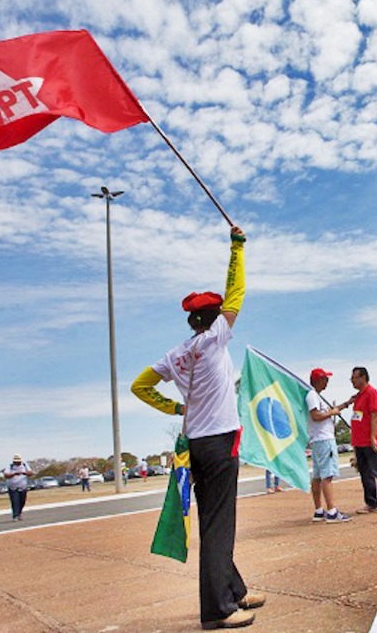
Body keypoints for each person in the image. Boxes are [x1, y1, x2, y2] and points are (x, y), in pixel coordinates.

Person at [130, 227, 265, 629]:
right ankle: (218, 611)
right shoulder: (213, 342)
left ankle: (234, 591)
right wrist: (237, 248)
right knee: (220, 525)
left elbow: (140, 386)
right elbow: (237, 291)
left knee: (214, 521)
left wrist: (175, 406)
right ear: (213, 318)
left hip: (194, 444)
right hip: (219, 443)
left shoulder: (177, 353)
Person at [305, 368, 351, 523]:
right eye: (325, 379)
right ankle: (331, 510)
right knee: (327, 476)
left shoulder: (315, 396)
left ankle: (319, 510)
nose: (327, 382)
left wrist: (346, 404)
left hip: (318, 440)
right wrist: (332, 413)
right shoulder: (312, 396)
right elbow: (316, 415)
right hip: (324, 440)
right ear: (318, 380)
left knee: (318, 476)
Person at [348, 367, 377, 513]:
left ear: (363, 378)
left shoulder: (371, 393)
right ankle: (371, 502)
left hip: (370, 441)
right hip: (359, 441)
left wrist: (373, 437)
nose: (352, 380)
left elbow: (375, 415)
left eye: (354, 377)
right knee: (365, 473)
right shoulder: (358, 397)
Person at [4, 454, 34, 521]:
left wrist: (24, 473)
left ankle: (19, 513)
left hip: (23, 487)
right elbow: (6, 475)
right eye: (16, 462)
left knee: (22, 501)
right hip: (13, 488)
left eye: (18, 461)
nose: (17, 463)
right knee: (15, 501)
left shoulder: (24, 465)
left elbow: (30, 473)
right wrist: (14, 474)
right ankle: (15, 515)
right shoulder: (10, 466)